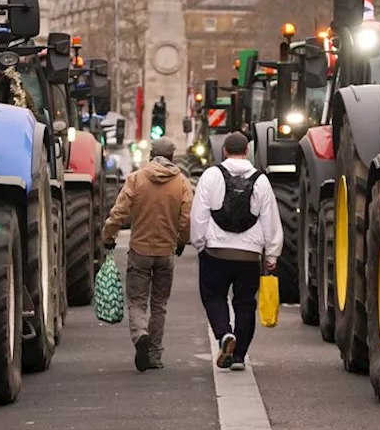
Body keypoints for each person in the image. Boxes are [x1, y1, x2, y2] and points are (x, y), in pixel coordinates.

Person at [190, 131, 282, 371]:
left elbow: (199, 214)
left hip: (216, 252)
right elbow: (270, 219)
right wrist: (271, 254)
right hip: (249, 254)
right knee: (245, 304)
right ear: (247, 151)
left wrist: (200, 244)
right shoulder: (261, 180)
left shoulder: (211, 175)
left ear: (224, 151)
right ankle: (239, 356)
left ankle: (224, 335)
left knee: (213, 296)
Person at [101, 137, 193, 372]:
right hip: (165, 252)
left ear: (151, 155)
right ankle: (154, 353)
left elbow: (119, 212)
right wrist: (181, 241)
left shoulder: (136, 179)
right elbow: (186, 219)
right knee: (159, 304)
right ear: (172, 157)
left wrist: (108, 236)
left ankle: (140, 332)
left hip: (140, 250)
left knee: (137, 301)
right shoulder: (182, 183)